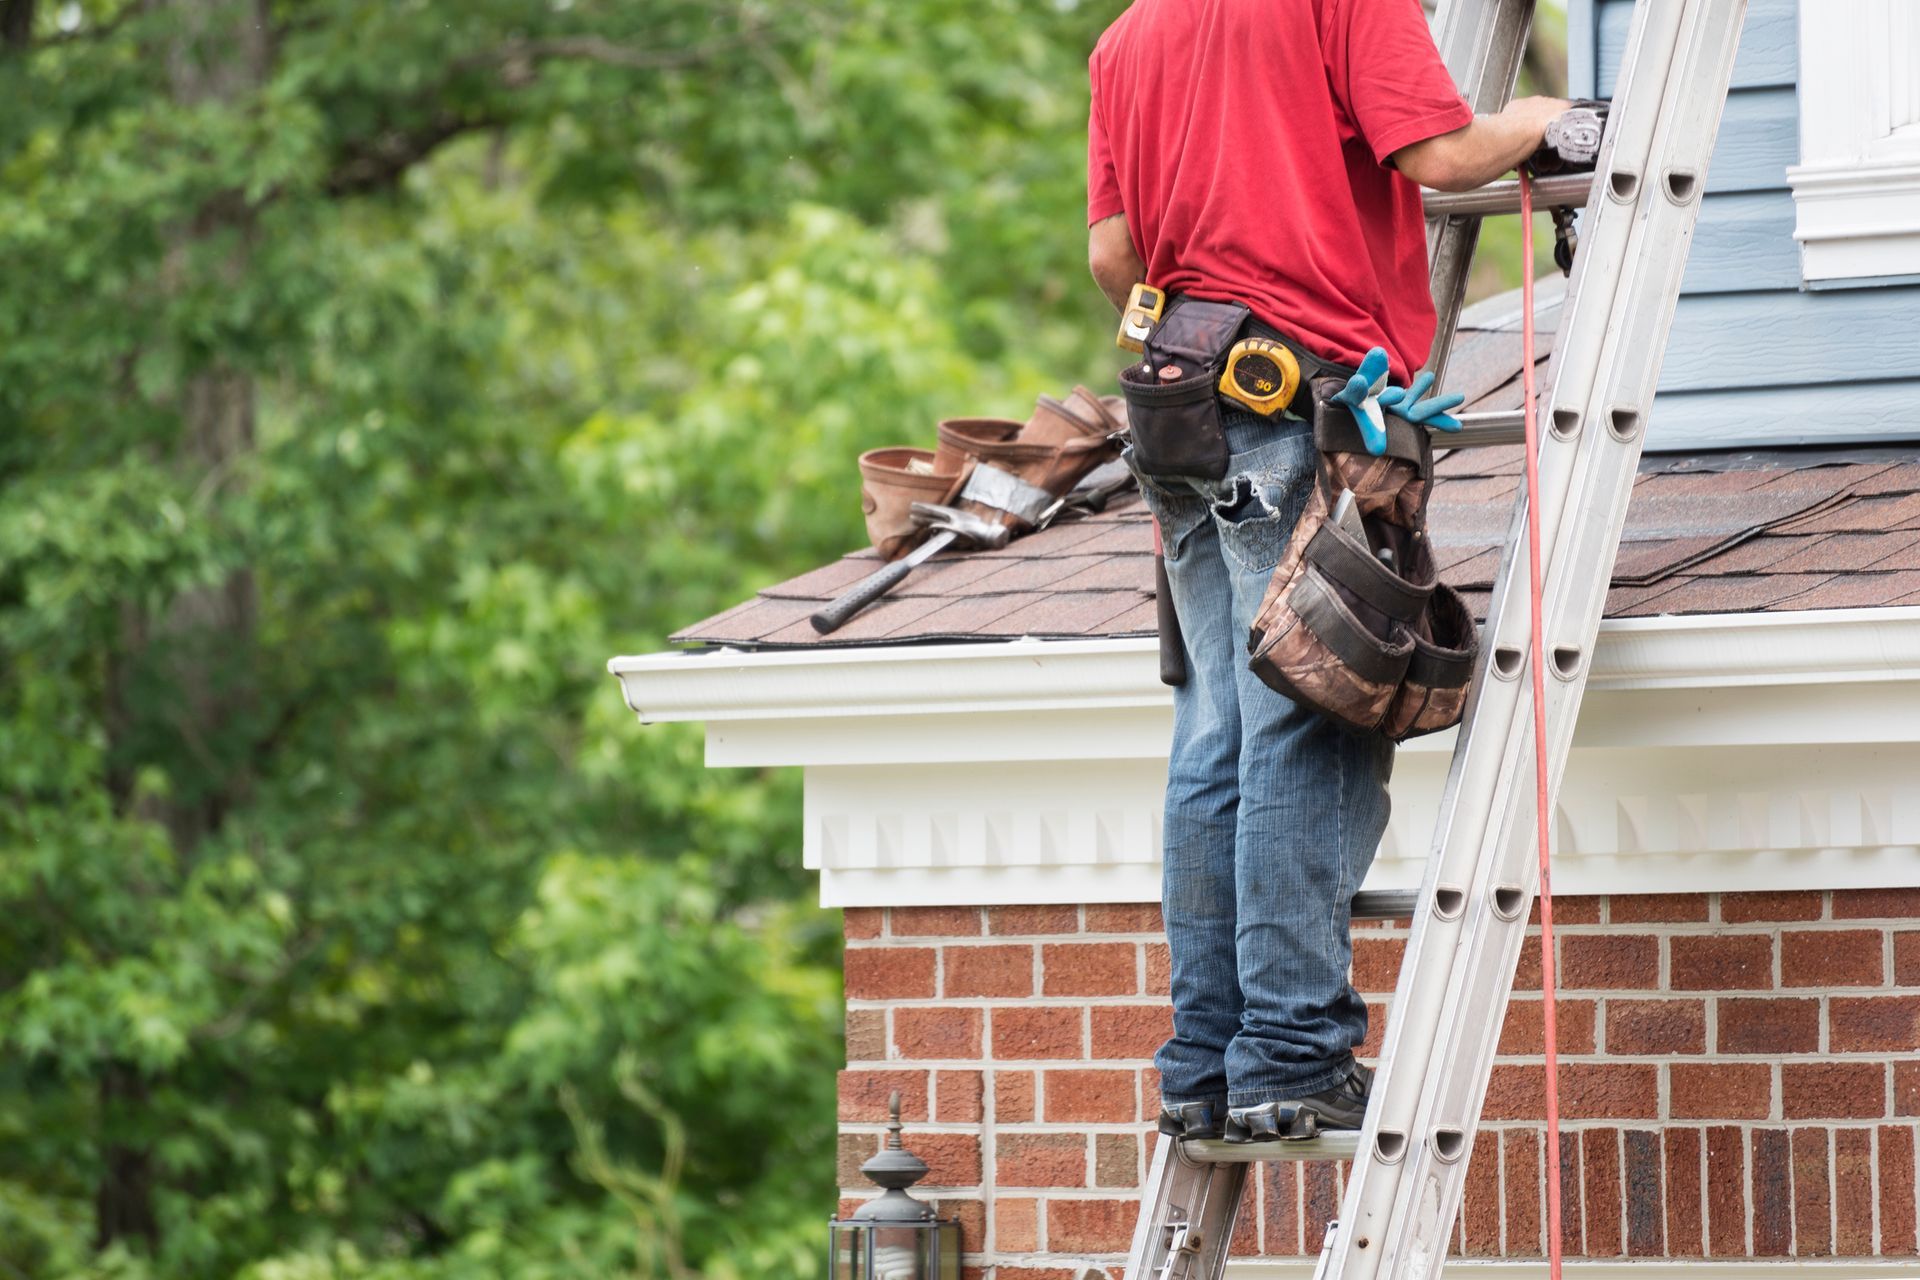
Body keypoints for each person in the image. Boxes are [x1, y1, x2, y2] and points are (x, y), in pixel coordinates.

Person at [1086, 0, 1568, 1140]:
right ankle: (1294, 1050)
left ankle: (1205, 1062)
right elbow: (1441, 157)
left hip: (1179, 402)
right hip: (1289, 393)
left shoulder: (1129, 35)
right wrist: (1542, 116)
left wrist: (1193, 325)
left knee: (1216, 732)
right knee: (1303, 711)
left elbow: (1114, 256)